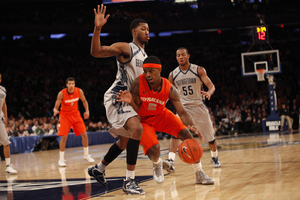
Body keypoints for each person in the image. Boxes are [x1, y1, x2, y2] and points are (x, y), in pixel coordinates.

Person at [118, 56, 215, 185]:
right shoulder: (137, 83)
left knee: (187, 134)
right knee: (155, 150)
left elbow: (182, 112)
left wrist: (192, 125)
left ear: (160, 70)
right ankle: (157, 164)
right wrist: (130, 101)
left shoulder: (170, 88)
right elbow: (137, 109)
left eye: (151, 71)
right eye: (145, 71)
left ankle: (199, 173)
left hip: (160, 115)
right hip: (142, 120)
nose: (148, 74)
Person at [87, 4, 149, 195]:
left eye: (148, 29)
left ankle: (99, 169)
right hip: (118, 96)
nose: (147, 32)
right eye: (143, 29)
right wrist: (98, 29)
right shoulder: (127, 48)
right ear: (134, 31)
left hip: (130, 100)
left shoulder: (146, 57)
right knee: (136, 129)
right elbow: (96, 52)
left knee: (124, 142)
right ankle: (129, 181)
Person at [163, 47, 221, 173]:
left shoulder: (198, 70)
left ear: (188, 56)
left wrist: (209, 92)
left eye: (183, 55)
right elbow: (169, 93)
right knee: (175, 132)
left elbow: (211, 85)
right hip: (183, 108)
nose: (180, 57)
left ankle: (214, 157)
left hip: (198, 106)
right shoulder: (173, 74)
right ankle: (171, 161)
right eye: (178, 55)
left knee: (210, 137)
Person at [53, 77, 95, 167]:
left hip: (76, 114)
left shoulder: (79, 91)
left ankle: (86, 155)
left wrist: (87, 111)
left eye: (73, 84)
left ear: (74, 84)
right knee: (64, 137)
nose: (71, 85)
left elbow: (84, 101)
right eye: (70, 84)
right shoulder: (61, 93)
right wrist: (55, 110)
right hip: (64, 116)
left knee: (84, 134)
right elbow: (56, 105)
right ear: (67, 85)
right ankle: (61, 159)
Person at [0, 73, 17, 174]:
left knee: (6, 142)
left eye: (0, 78)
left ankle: (8, 166)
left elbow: (4, 104)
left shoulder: (2, 89)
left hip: (0, 118)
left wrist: (5, 117)